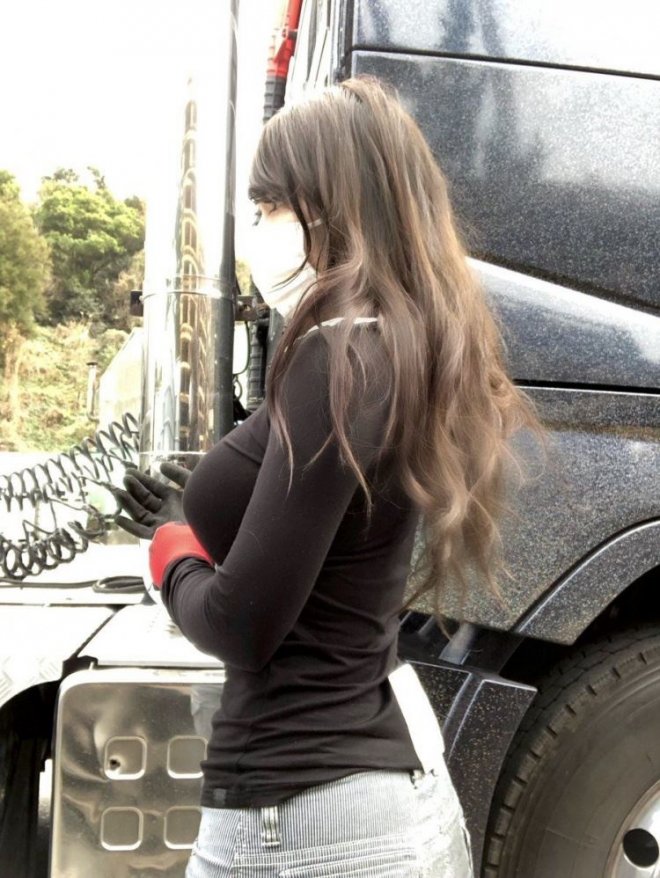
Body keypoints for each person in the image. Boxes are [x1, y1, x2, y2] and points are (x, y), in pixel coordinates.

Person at [116, 74, 544, 877]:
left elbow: (243, 624)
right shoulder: (398, 348)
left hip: (301, 824)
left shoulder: (337, 358)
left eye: (271, 206)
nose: (258, 228)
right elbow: (324, 551)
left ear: (335, 208)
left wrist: (170, 546)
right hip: (379, 799)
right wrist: (201, 507)